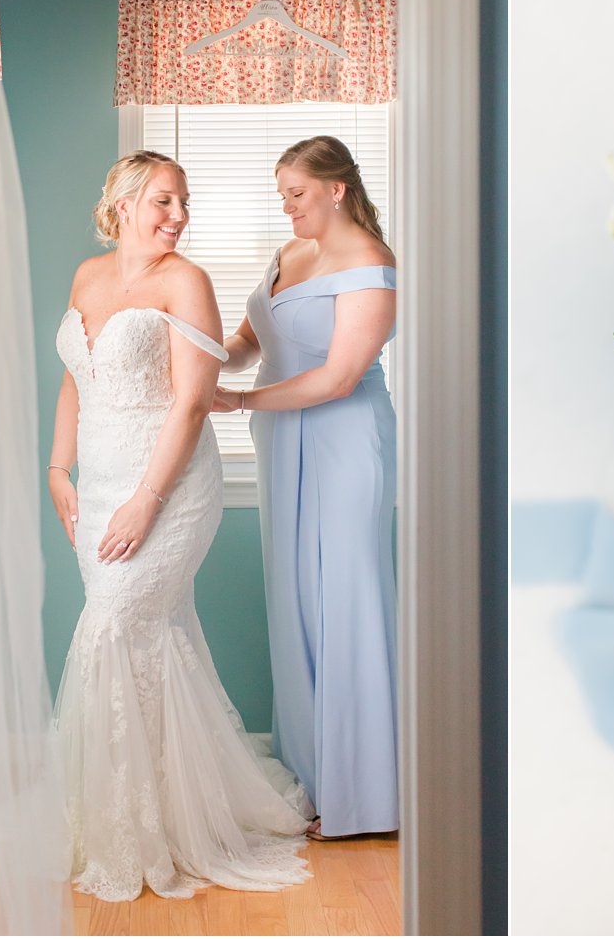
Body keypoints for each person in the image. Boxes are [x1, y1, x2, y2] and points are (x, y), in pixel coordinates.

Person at [47, 150, 314, 901]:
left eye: (184, 202)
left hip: (166, 482)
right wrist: (58, 469)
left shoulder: (186, 280)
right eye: (165, 200)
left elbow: (193, 402)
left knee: (117, 622)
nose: (179, 216)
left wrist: (147, 500)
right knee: (140, 635)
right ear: (125, 203)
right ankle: (145, 803)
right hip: (96, 479)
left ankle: (147, 824)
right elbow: (77, 377)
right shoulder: (87, 276)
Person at [212, 135, 399, 840]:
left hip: (345, 438)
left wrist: (236, 403)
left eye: (296, 192)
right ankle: (313, 781)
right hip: (282, 438)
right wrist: (196, 356)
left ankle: (366, 793)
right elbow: (248, 342)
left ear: (336, 189)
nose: (286, 205)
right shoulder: (289, 255)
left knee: (344, 600)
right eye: (282, 193)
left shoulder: (371, 267)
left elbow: (338, 376)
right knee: (294, 602)